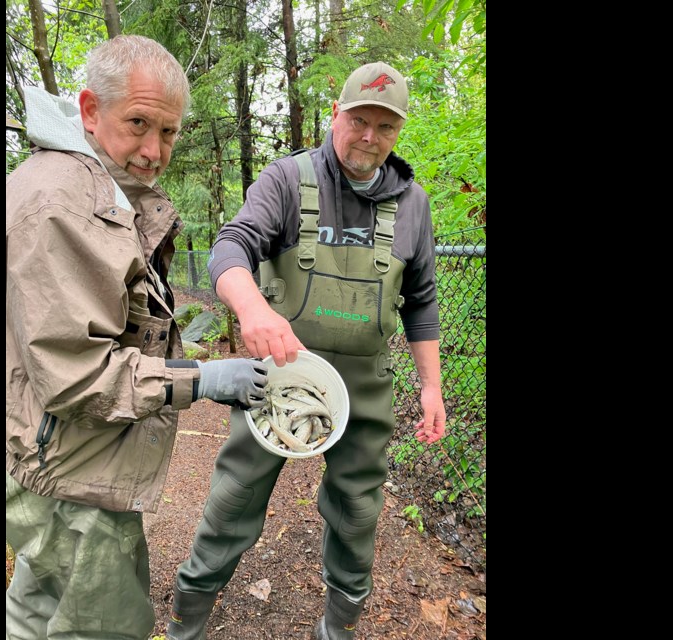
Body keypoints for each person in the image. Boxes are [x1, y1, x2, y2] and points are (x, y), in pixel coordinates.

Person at [166, 61, 447, 640]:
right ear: (335, 115)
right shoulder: (288, 180)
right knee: (233, 499)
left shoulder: (414, 205)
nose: (370, 137)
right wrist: (253, 309)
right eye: (359, 121)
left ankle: (338, 626)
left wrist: (432, 386)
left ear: (398, 134)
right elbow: (232, 247)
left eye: (385, 127)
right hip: (276, 381)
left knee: (358, 513)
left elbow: (420, 303)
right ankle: (187, 617)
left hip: (364, 390)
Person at [6, 35, 269, 640]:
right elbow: (77, 377)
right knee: (101, 622)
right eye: (139, 124)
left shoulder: (88, 183)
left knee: (38, 600)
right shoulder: (64, 204)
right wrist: (203, 378)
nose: (155, 150)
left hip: (45, 456)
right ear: (90, 110)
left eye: (169, 132)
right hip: (76, 473)